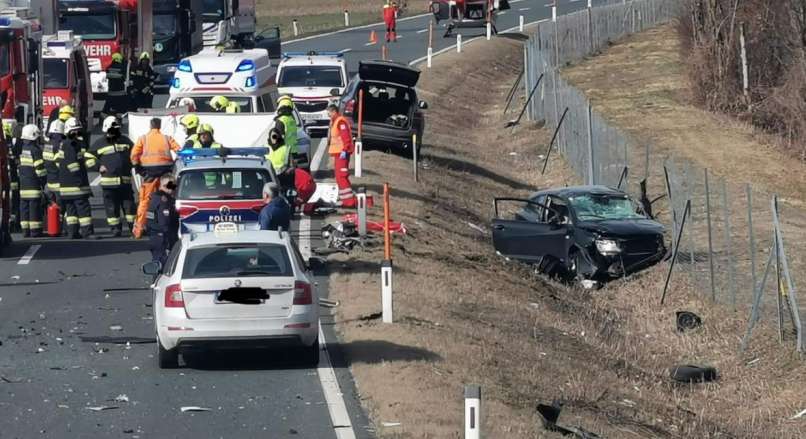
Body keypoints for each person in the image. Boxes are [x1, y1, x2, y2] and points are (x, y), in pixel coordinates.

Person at [130, 117, 181, 239]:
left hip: (149, 176)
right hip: (167, 175)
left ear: (150, 126)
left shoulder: (143, 138)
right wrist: (174, 164)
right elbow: (179, 151)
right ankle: (174, 225)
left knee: (145, 201)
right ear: (160, 126)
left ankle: (139, 231)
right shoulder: (167, 138)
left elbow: (133, 155)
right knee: (172, 197)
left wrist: (139, 168)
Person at [86, 116, 135, 237]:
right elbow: (88, 157)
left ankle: (133, 228)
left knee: (129, 207)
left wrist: (135, 164)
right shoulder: (99, 143)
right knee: (112, 207)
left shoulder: (126, 140)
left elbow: (136, 153)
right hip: (109, 183)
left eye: (117, 129)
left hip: (125, 181)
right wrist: (98, 166)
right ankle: (115, 229)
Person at [58, 118, 92, 239]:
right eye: (76, 130)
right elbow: (73, 164)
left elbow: (60, 163)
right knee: (83, 209)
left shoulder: (64, 143)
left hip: (65, 185)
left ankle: (73, 232)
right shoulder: (71, 144)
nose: (78, 132)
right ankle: (87, 232)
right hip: (76, 185)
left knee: (71, 210)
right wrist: (80, 181)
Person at [17, 124, 46, 237]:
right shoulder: (35, 150)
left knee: (24, 208)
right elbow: (40, 170)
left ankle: (25, 231)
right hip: (33, 184)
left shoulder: (22, 149)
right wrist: (43, 182)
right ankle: (35, 231)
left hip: (23, 184)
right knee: (34, 208)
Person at [43, 104, 73, 209]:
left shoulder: (47, 145)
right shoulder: (59, 144)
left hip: (49, 183)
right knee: (63, 210)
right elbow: (60, 164)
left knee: (53, 211)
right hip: (59, 183)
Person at [327, 104, 356, 207]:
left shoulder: (340, 122)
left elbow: (346, 137)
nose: (328, 115)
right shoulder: (335, 121)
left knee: (342, 176)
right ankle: (345, 200)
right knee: (339, 176)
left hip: (342, 153)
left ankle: (349, 201)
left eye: (329, 113)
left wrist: (345, 150)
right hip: (338, 154)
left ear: (334, 111)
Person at [146, 174, 179, 265]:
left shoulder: (155, 197)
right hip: (162, 238)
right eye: (173, 186)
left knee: (157, 263)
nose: (174, 188)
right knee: (163, 265)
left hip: (154, 236)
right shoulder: (164, 201)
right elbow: (164, 223)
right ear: (165, 186)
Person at [4, 121, 20, 232]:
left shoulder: (12, 143)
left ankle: (14, 222)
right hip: (10, 178)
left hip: (11, 178)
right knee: (13, 201)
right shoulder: (14, 143)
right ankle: (13, 222)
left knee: (13, 201)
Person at [102, 52, 127, 121]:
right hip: (120, 93)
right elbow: (124, 78)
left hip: (111, 92)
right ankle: (119, 121)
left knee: (106, 109)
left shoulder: (109, 67)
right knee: (120, 109)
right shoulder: (122, 67)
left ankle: (102, 120)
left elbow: (107, 75)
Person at [274, 96, 300, 163]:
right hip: (293, 151)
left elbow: (276, 139)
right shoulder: (291, 119)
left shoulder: (281, 120)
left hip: (284, 154)